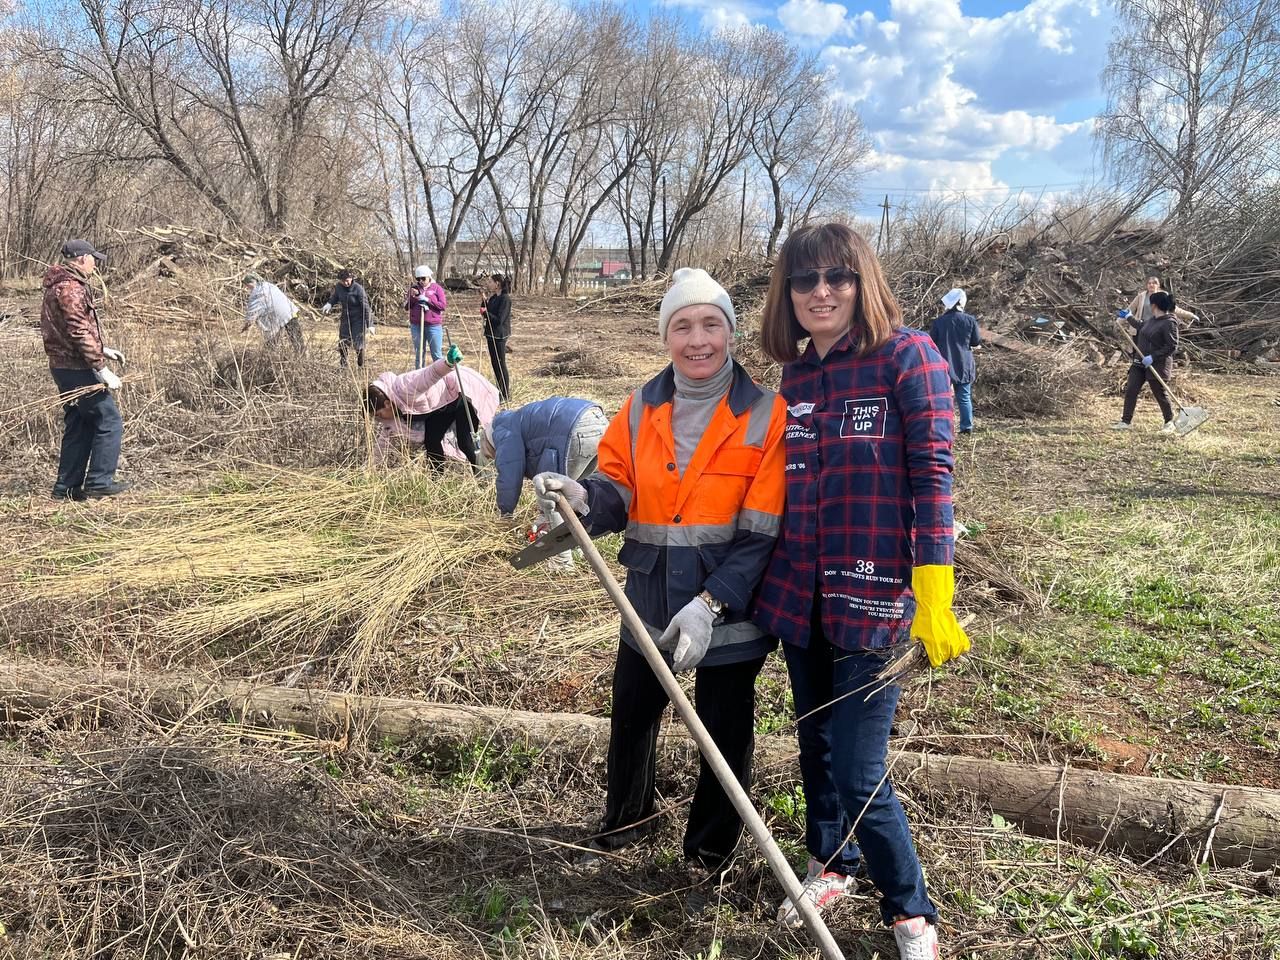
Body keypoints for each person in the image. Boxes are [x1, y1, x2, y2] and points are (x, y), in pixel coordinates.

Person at [753, 223, 969, 960]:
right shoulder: (798, 376)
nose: (820, 293)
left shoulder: (910, 356)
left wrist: (933, 585)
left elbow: (934, 476)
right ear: (787, 293)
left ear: (861, 282)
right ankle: (829, 862)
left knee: (858, 765)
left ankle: (911, 912)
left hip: (875, 597)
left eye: (837, 278)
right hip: (802, 594)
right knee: (814, 744)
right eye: (804, 280)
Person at [532, 268, 787, 876]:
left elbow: (762, 534)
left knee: (724, 732)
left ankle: (709, 853)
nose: (697, 340)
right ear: (664, 336)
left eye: (711, 325)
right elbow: (617, 487)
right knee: (633, 714)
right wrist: (584, 494)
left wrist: (712, 602)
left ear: (730, 333)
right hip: (646, 599)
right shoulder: (642, 406)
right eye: (682, 326)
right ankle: (628, 818)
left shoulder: (764, 414)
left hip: (728, 609)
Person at [40, 239, 130, 500]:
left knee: (79, 424)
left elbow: (68, 329)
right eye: (93, 259)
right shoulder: (70, 288)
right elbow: (78, 331)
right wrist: (101, 368)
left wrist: (103, 349)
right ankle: (99, 481)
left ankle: (66, 488)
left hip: (64, 365)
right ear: (81, 259)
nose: (95, 264)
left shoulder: (59, 285)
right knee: (108, 420)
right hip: (76, 367)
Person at [481, 396, 609, 570]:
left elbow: (510, 472)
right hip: (598, 422)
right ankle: (577, 546)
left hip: (572, 429)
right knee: (578, 495)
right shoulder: (519, 420)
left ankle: (563, 562)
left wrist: (506, 513)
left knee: (554, 496)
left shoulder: (502, 430)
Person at [365, 346, 500, 470]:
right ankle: (437, 478)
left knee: (465, 441)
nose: (379, 419)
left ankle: (482, 476)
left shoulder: (406, 387)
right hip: (443, 406)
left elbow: (430, 374)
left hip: (461, 392)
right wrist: (371, 468)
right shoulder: (392, 411)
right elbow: (382, 443)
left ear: (387, 404)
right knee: (432, 440)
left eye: (379, 414)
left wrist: (447, 363)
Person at [1113, 290, 1180, 433]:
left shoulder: (1169, 323)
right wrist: (1129, 317)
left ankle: (1169, 422)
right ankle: (1126, 421)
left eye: (1151, 303)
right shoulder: (1152, 320)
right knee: (1131, 390)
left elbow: (1171, 346)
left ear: (1155, 305)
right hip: (1140, 362)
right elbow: (1141, 326)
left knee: (1160, 393)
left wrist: (1153, 357)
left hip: (1157, 364)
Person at [928, 288, 981, 434]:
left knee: (944, 398)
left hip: (943, 364)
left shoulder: (939, 322)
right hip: (964, 363)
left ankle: (945, 427)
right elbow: (976, 342)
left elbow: (932, 343)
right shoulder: (970, 320)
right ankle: (966, 427)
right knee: (964, 397)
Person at [241, 274, 304, 354]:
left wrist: (246, 326)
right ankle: (302, 356)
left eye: (247, 285)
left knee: (271, 343)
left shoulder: (257, 293)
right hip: (292, 312)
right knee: (297, 341)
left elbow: (252, 313)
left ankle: (269, 359)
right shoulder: (269, 285)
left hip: (278, 318)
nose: (247, 287)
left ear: (251, 283)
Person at [323, 268, 371, 368]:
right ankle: (343, 365)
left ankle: (361, 365)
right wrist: (329, 304)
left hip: (358, 319)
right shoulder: (339, 287)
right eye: (343, 281)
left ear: (351, 278)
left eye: (347, 280)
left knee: (358, 343)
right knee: (343, 342)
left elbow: (366, 307)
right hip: (346, 317)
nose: (345, 283)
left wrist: (370, 324)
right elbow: (335, 297)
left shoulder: (358, 289)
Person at [405, 264, 447, 368]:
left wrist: (428, 300)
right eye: (418, 279)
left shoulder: (437, 289)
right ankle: (419, 378)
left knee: (436, 354)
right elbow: (407, 306)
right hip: (417, 325)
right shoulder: (414, 289)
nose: (421, 281)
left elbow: (442, 306)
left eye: (423, 278)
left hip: (433, 326)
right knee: (419, 354)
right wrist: (414, 297)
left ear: (429, 277)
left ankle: (441, 377)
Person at [480, 273, 512, 402]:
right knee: (494, 363)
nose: (489, 284)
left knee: (500, 363)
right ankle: (499, 389)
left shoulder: (505, 299)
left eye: (491, 282)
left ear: (497, 283)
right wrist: (484, 301)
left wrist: (486, 313)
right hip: (490, 334)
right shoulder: (493, 297)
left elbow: (499, 319)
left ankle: (505, 393)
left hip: (499, 335)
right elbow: (485, 309)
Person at [1127, 276, 1198, 329]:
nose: (1151, 285)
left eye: (1154, 283)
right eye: (1149, 283)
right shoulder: (1141, 296)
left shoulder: (1163, 296)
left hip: (1157, 328)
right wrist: (1119, 321)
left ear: (1158, 285)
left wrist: (1191, 315)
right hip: (1141, 326)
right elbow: (1130, 309)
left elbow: (1174, 309)